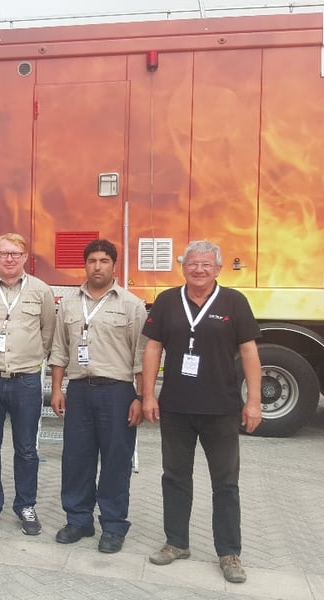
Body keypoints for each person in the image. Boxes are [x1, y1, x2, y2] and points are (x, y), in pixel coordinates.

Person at [142, 240, 262, 583]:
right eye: (193, 263)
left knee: (225, 483)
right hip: (176, 407)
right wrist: (148, 394)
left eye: (206, 265)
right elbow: (153, 348)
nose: (199, 270)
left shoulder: (234, 302)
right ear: (183, 267)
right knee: (175, 477)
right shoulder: (167, 300)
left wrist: (253, 401)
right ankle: (176, 542)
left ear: (218, 268)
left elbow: (250, 351)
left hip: (221, 408)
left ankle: (229, 552)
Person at [49, 239, 147, 554]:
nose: (98, 266)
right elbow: (60, 350)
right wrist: (56, 389)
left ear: (114, 266)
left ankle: (114, 526)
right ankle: (78, 520)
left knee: (116, 460)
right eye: (92, 260)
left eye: (104, 260)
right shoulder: (68, 302)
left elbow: (141, 356)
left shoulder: (131, 304)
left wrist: (141, 397)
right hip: (79, 390)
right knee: (76, 458)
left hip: (118, 392)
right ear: (85, 264)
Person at [0, 233, 55, 535]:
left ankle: (26, 505)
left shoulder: (41, 291)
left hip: (26, 380)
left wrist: (30, 358)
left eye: (15, 254)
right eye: (4, 253)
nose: (9, 259)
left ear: (25, 257)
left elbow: (48, 332)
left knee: (27, 448)